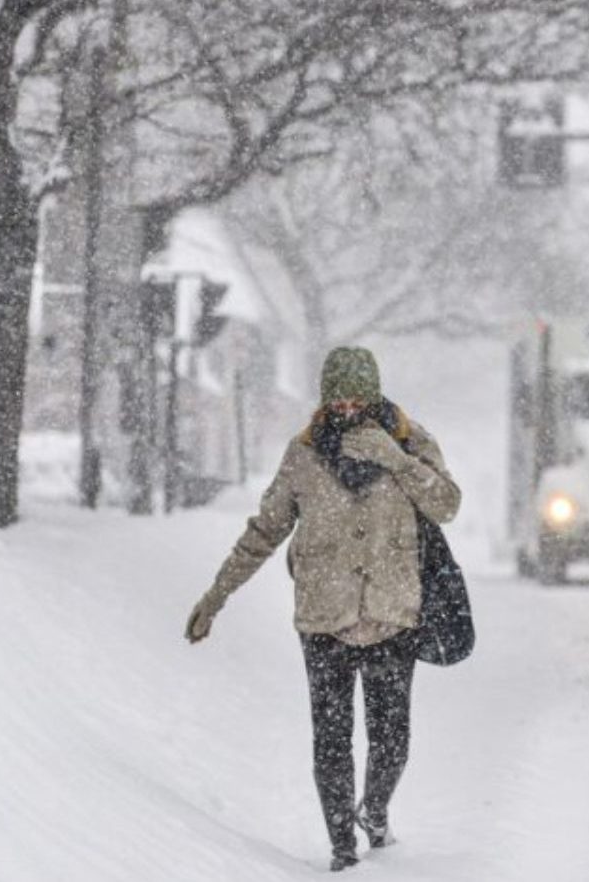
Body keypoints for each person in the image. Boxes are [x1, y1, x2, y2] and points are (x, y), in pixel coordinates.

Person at [185, 347, 461, 873]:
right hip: (324, 620)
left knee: (391, 740)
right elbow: (264, 532)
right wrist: (215, 597)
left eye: (358, 399)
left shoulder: (410, 440)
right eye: (338, 400)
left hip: (392, 616)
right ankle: (342, 849)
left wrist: (396, 459)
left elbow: (447, 504)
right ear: (324, 399)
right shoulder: (303, 454)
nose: (347, 409)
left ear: (374, 396)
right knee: (332, 741)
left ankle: (374, 811)